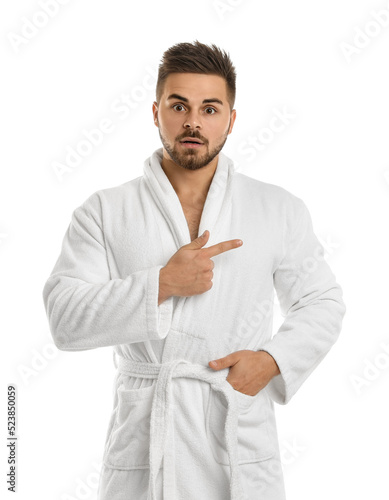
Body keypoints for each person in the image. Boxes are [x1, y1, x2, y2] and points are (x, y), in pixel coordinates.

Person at [42, 40, 346, 500]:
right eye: (178, 105)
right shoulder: (104, 211)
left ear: (231, 119)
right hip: (146, 441)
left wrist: (270, 362)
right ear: (155, 111)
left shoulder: (277, 209)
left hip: (235, 431)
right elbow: (64, 319)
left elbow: (322, 302)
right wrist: (161, 284)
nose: (192, 122)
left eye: (209, 108)